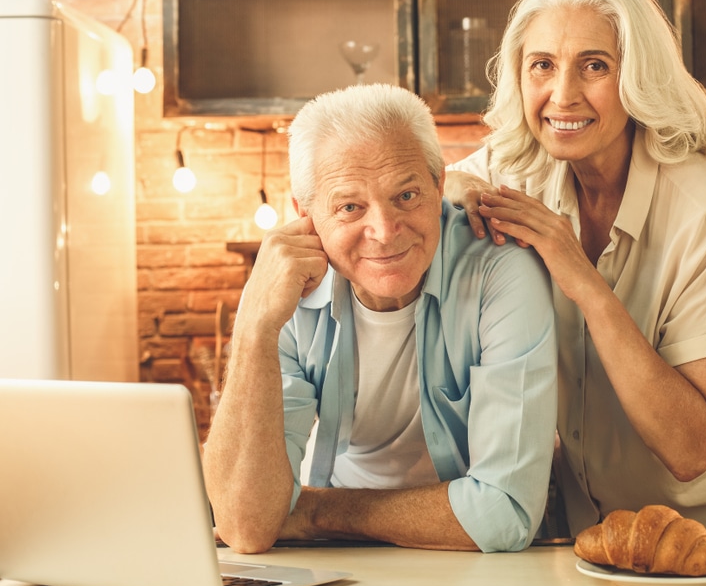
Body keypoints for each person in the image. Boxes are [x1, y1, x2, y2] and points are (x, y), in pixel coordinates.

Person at [446, 0, 706, 536]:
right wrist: (459, 188)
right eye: (542, 64)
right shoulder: (518, 168)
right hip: (604, 530)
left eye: (595, 66)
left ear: (638, 76)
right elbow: (425, 182)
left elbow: (689, 449)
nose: (562, 95)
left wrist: (582, 279)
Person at [203, 83, 557, 554]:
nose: (385, 232)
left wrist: (313, 512)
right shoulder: (287, 288)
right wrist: (252, 326)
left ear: (438, 187)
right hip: (334, 558)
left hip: (463, 560)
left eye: (406, 195)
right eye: (350, 207)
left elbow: (503, 514)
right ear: (306, 216)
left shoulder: (499, 268)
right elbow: (245, 527)